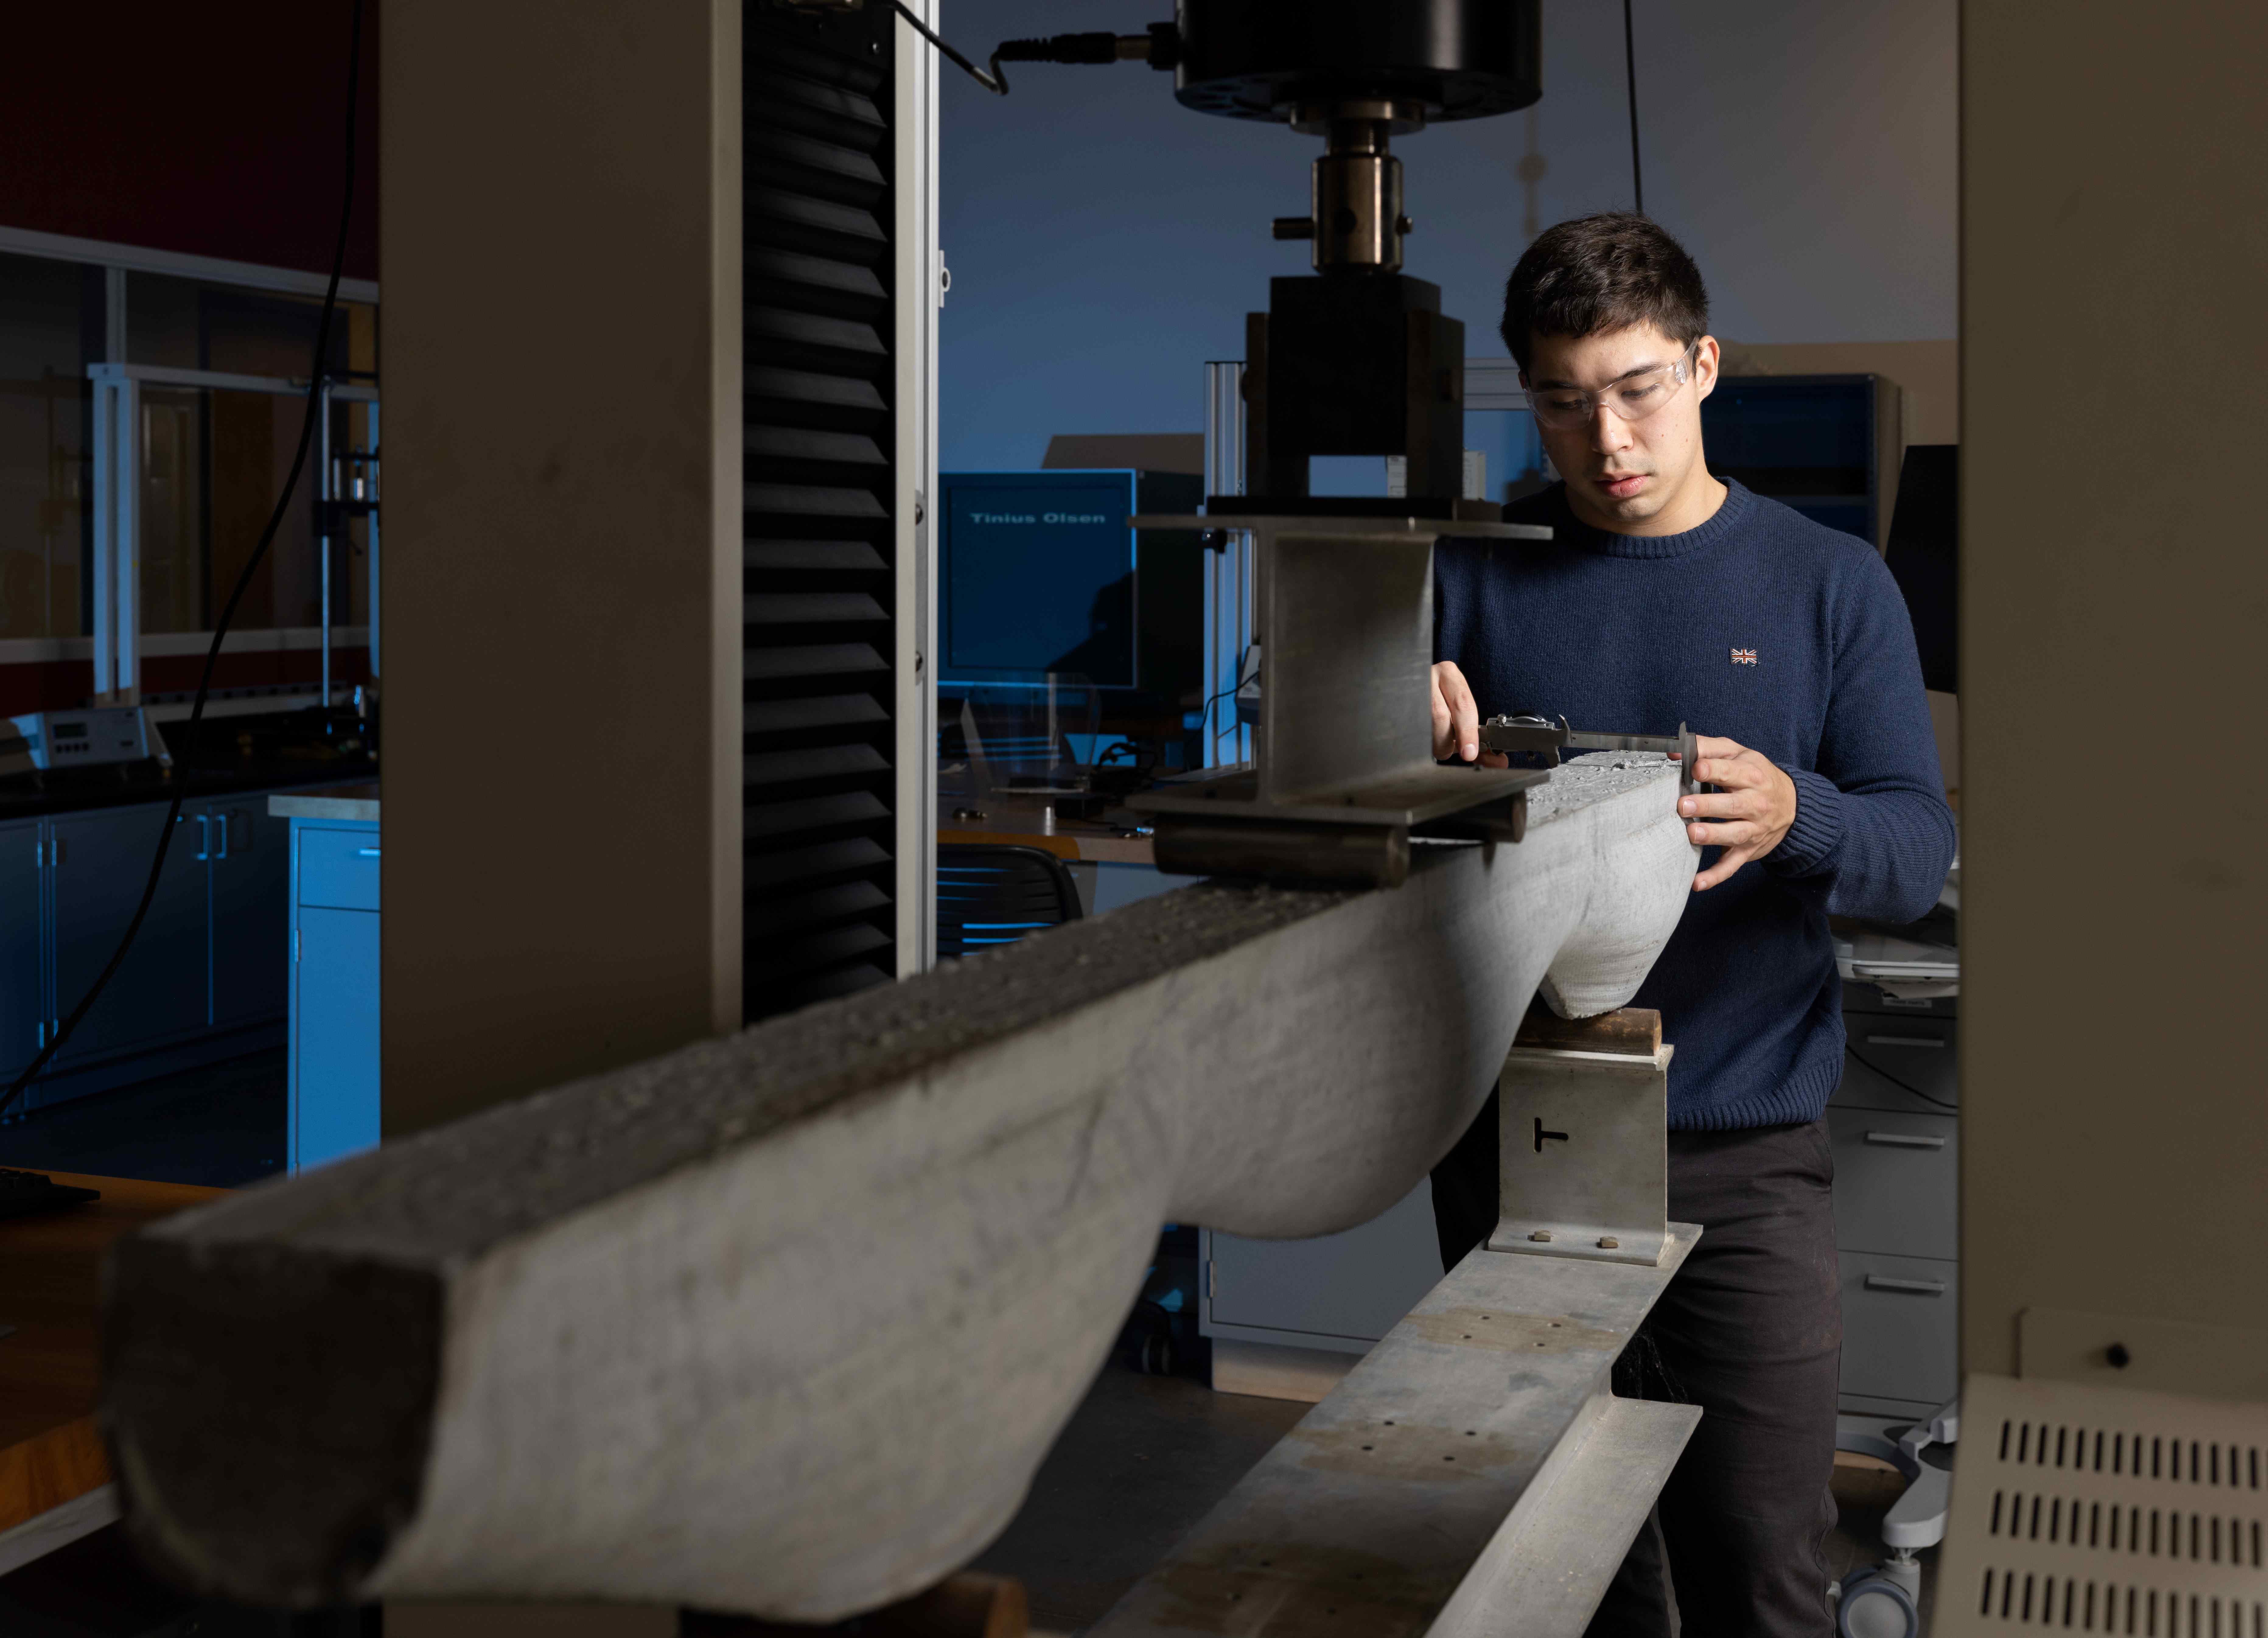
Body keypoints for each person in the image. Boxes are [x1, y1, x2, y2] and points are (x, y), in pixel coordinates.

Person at [1427, 213, 1955, 1637]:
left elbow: (1916, 849)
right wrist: (1386, 727)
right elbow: (1351, 806)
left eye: (1638, 386)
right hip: (1514, 1153)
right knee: (1556, 1571)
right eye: (1561, 398)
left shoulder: (1826, 583)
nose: (1604, 435)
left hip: (1738, 1163)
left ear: (1704, 364)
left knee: (1760, 1570)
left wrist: (1803, 815)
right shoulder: (1466, 576)